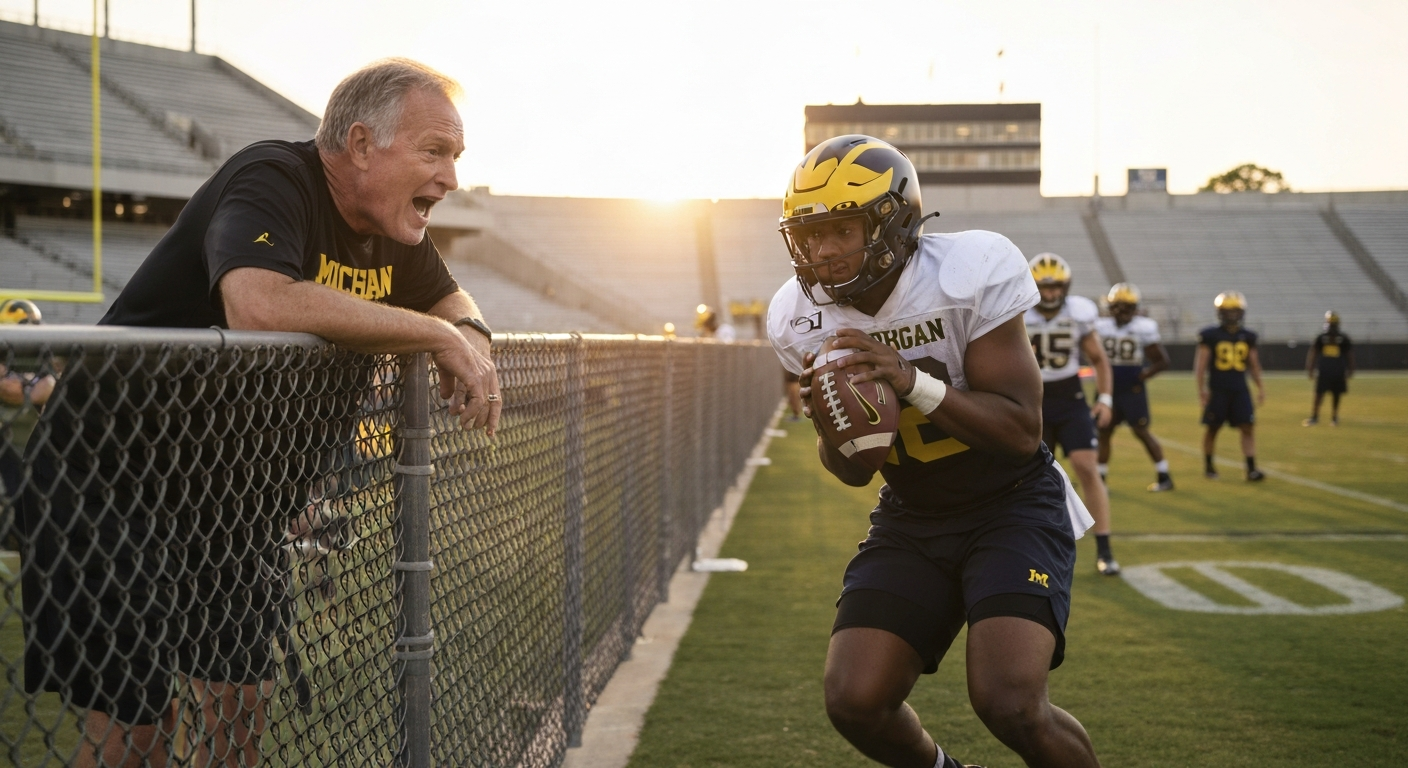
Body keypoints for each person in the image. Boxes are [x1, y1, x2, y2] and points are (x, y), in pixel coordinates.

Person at [21, 58, 501, 768]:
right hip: (112, 482)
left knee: (241, 706)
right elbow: (258, 303)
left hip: (233, 506)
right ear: (361, 145)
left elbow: (450, 295)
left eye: (455, 156)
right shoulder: (274, 177)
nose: (451, 178)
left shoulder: (392, 227)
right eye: (434, 152)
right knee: (139, 727)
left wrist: (468, 333)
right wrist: (435, 335)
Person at [767, 134, 1100, 768]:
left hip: (1011, 505)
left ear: (893, 223)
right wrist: (829, 424)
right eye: (810, 235)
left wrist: (909, 380)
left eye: (841, 229)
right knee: (855, 699)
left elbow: (1020, 430)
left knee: (1011, 702)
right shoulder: (797, 315)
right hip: (913, 513)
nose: (823, 251)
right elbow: (852, 473)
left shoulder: (965, 272)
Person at [1024, 254, 1119, 576]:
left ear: (1066, 287)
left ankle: (1104, 549)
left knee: (1086, 466)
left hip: (1070, 397)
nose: (1050, 294)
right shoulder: (1019, 312)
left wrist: (1104, 398)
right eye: (1044, 287)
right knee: (1031, 478)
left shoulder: (1079, 313)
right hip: (1032, 400)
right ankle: (1035, 548)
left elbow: (1099, 360)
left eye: (1056, 287)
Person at [1094, 283, 1174, 491]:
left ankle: (1164, 475)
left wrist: (1141, 376)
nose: (1122, 312)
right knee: (1103, 432)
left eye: (1127, 307)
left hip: (1131, 389)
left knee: (1141, 431)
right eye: (1118, 307)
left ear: (1135, 308)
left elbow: (1162, 361)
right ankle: (1100, 480)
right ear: (1110, 307)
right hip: (1107, 388)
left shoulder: (1143, 327)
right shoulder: (1100, 326)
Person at [1194, 291, 1265, 481]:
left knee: (1247, 427)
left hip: (1240, 389)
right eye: (1228, 311)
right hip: (1218, 390)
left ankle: (1251, 469)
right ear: (1220, 313)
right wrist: (1202, 390)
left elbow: (1254, 365)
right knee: (1213, 428)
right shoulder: (1210, 335)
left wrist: (1260, 387)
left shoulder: (1247, 336)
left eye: (1235, 311)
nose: (1232, 315)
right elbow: (1200, 366)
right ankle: (1209, 466)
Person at [1304, 310, 1353, 426]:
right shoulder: (1322, 338)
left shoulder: (1342, 338)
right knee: (1320, 394)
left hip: (1335, 371)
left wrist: (1351, 368)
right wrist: (1310, 367)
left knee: (1334, 394)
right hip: (1327, 371)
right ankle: (1318, 417)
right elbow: (1314, 353)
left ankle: (1332, 417)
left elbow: (1349, 355)